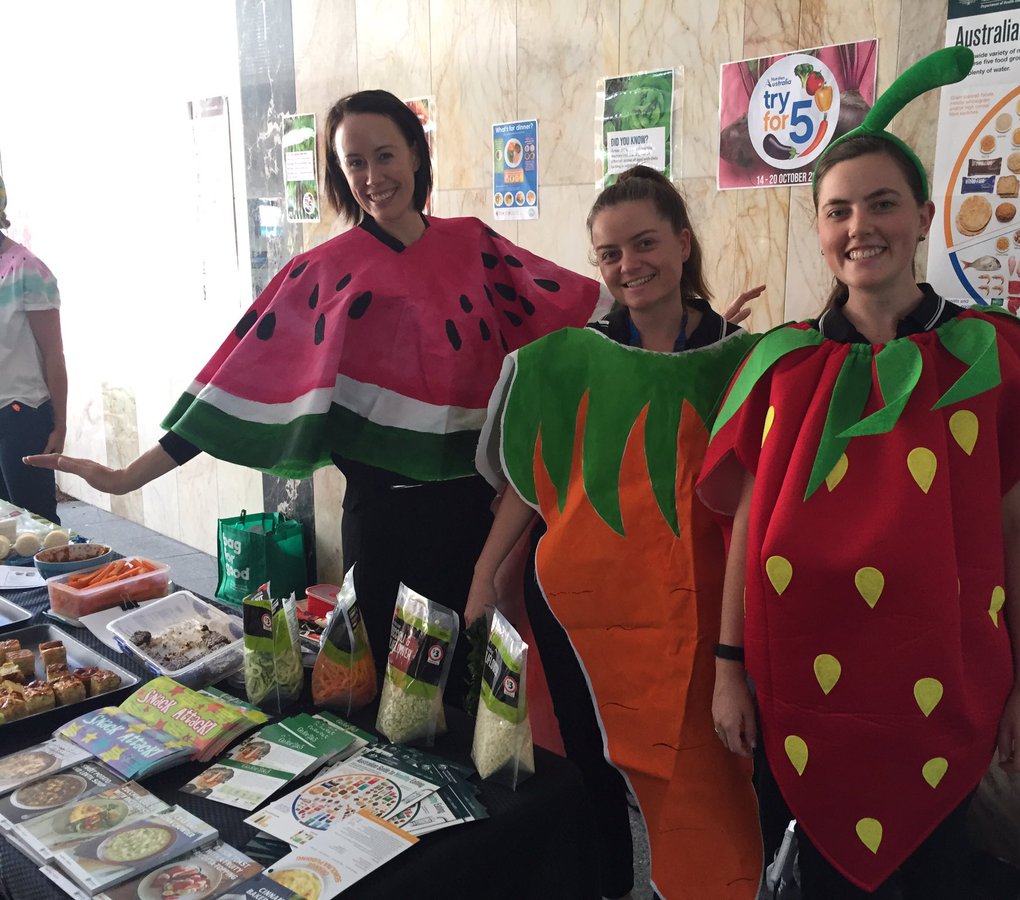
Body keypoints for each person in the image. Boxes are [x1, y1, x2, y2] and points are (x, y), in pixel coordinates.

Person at [24, 90, 606, 699]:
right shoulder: (321, 273)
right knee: (386, 688)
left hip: (476, 520)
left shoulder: (478, 247)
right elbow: (242, 380)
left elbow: (575, 310)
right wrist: (129, 477)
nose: (373, 177)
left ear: (416, 151)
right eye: (354, 163)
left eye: (385, 155)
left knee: (471, 692)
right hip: (381, 523)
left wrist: (700, 330)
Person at [698, 48, 1020, 898]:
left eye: (882, 204)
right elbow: (747, 528)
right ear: (818, 229)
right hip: (798, 698)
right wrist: (728, 668)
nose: (859, 226)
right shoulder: (783, 367)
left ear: (922, 216)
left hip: (940, 701)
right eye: (838, 210)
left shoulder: (986, 356)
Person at [468, 166, 762, 899]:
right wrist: (482, 579)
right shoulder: (577, 360)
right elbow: (532, 485)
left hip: (698, 618)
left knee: (703, 771)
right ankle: (605, 886)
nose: (629, 265)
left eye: (645, 243)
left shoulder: (743, 357)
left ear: (684, 242)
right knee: (591, 764)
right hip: (584, 616)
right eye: (609, 253)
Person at [0, 176, 67, 525]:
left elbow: (53, 355)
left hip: (23, 414)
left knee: (35, 524)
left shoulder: (27, 270)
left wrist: (60, 424)